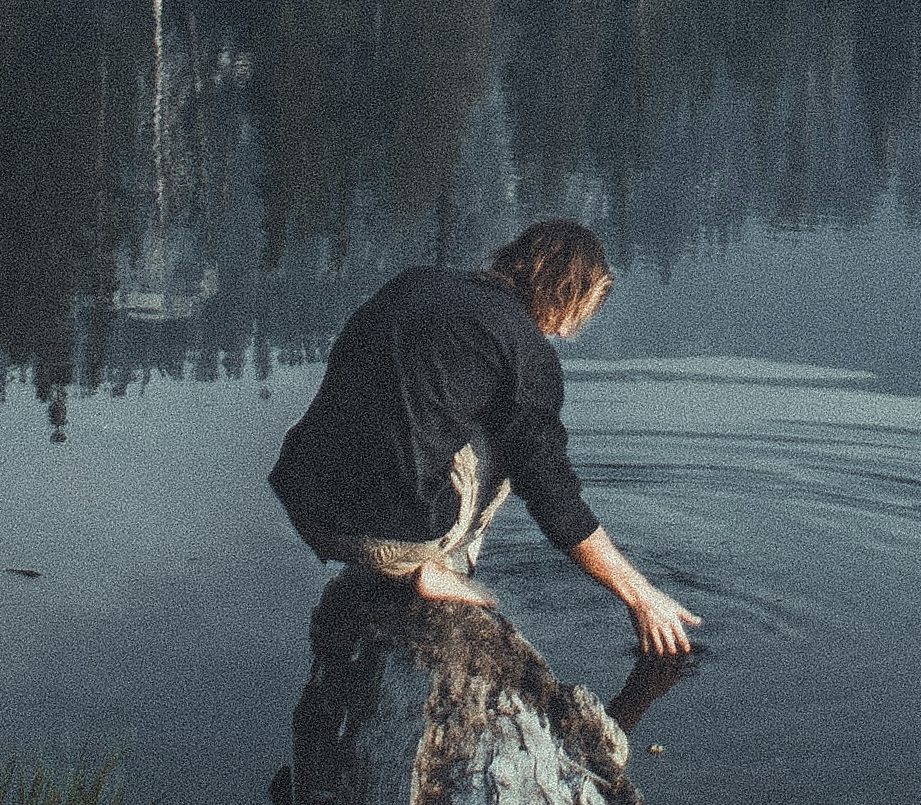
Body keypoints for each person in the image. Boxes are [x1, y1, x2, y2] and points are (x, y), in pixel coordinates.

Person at [270, 218, 700, 658]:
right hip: (382, 534)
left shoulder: (419, 282)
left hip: (308, 503)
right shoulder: (528, 355)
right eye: (583, 312)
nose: (568, 331)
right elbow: (555, 501)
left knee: (427, 410)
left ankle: (397, 556)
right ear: (570, 299)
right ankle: (430, 565)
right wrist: (640, 594)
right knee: (515, 446)